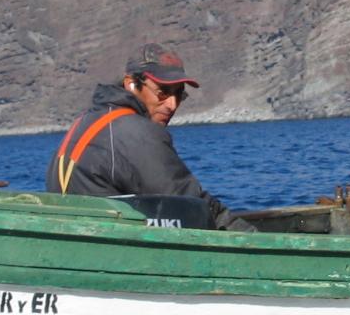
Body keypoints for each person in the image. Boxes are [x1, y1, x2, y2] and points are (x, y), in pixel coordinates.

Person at [46, 43, 254, 231]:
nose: (172, 104)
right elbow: (192, 205)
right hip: (113, 250)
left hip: (84, 238)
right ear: (131, 84)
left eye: (179, 94)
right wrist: (253, 239)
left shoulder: (85, 122)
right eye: (162, 92)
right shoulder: (136, 134)